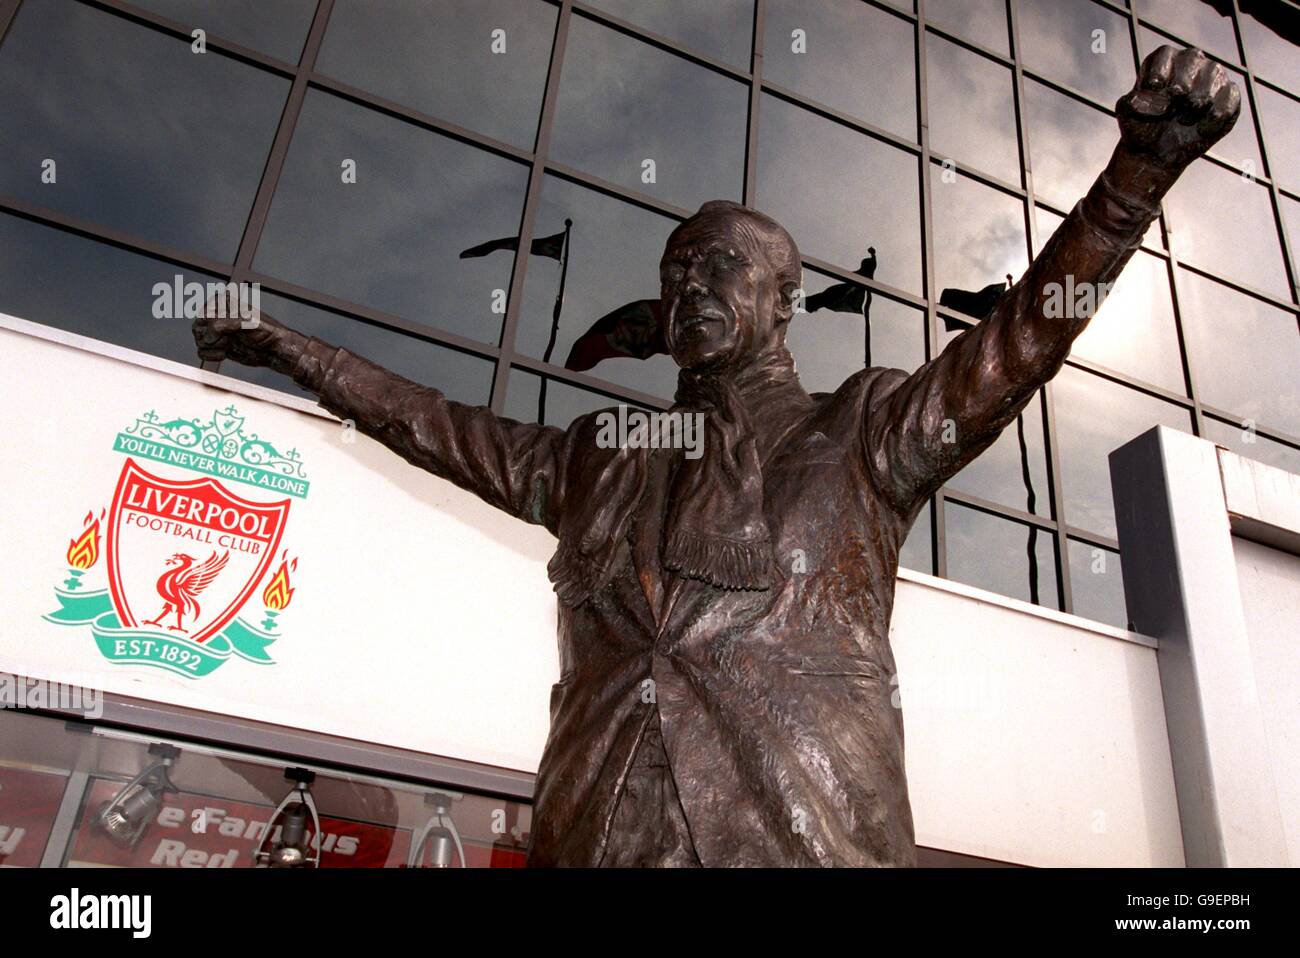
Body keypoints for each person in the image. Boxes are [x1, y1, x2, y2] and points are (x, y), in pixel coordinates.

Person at [195, 47, 1238, 866]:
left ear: (783, 301)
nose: (691, 283)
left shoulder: (862, 433)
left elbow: (1017, 346)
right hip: (594, 833)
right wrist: (297, 350)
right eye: (677, 269)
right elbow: (433, 423)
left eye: (721, 266)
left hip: (802, 838)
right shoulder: (603, 454)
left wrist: (1133, 181)